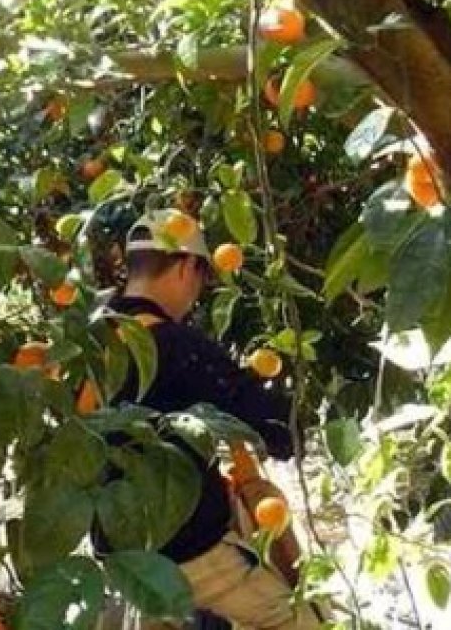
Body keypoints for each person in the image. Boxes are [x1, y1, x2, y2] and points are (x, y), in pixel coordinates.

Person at [96, 209, 321, 630]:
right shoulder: (180, 347)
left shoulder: (89, 339)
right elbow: (280, 432)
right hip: (194, 564)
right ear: (186, 267)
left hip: (119, 569)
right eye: (201, 279)